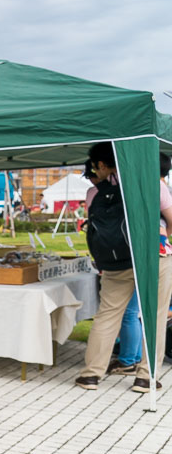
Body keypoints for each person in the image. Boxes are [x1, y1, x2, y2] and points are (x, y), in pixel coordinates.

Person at [76, 144, 172, 391]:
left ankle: (91, 375)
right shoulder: (151, 182)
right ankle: (145, 377)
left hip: (116, 262)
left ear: (102, 165)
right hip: (153, 257)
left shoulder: (94, 193)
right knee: (156, 317)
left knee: (107, 315)